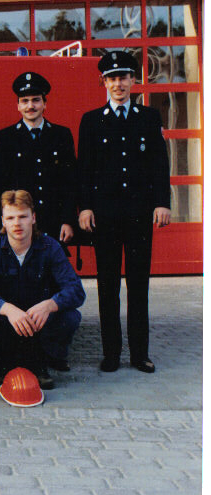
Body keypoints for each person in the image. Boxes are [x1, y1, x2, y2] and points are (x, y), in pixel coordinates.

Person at [77, 50, 171, 374]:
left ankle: (140, 353)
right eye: (112, 78)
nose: (118, 84)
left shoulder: (148, 118)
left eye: (124, 77)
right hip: (104, 216)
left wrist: (162, 202)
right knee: (107, 286)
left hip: (138, 215)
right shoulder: (92, 120)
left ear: (133, 80)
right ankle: (112, 353)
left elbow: (159, 164)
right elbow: (84, 168)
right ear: (103, 82)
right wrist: (85, 207)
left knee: (138, 284)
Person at [0, 190, 84, 390]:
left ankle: (40, 362)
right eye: (10, 218)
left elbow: (76, 290)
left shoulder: (50, 246)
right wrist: (6, 308)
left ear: (33, 218)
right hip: (7, 320)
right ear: (3, 221)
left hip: (37, 320)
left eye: (23, 216)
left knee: (70, 316)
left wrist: (50, 305)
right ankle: (3, 362)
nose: (17, 223)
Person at [0, 71, 77, 246]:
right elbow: (0, 185)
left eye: (36, 100)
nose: (30, 106)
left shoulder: (61, 135)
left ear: (45, 103)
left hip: (54, 223)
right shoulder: (6, 137)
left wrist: (68, 221)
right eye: (25, 101)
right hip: (19, 224)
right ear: (18, 105)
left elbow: (70, 182)